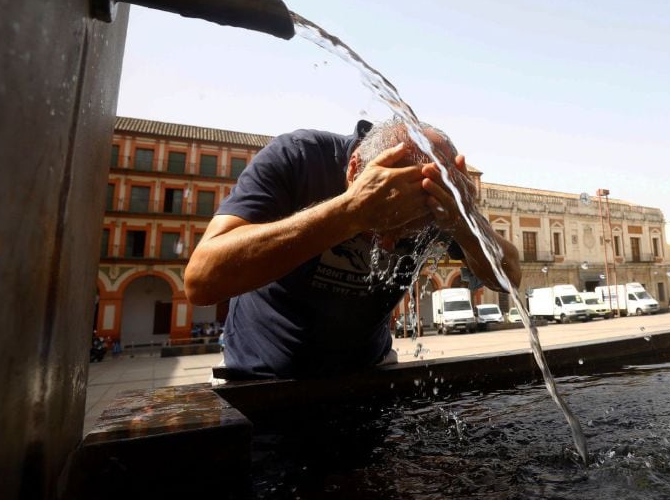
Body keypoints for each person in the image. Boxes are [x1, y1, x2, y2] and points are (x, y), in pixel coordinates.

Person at [184, 119, 521, 380]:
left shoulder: (434, 196)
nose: (389, 244)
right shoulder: (300, 157)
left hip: (372, 370)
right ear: (354, 170)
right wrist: (350, 213)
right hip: (257, 374)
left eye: (408, 232)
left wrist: (463, 223)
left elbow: (509, 277)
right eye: (385, 224)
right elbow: (202, 280)